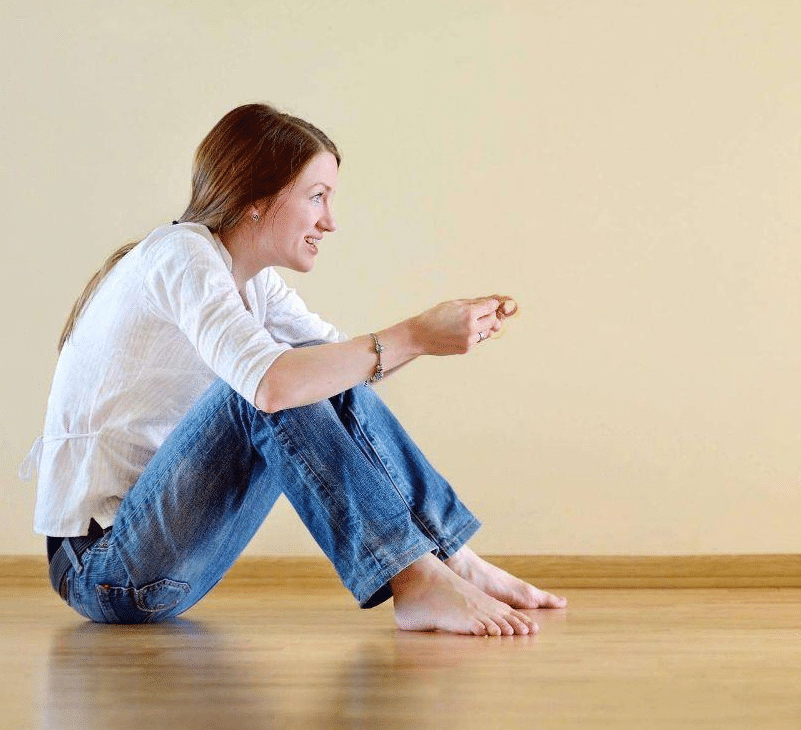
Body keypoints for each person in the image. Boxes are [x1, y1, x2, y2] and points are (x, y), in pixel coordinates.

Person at [22, 102, 565, 636]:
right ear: (257, 199)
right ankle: (415, 579)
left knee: (319, 372)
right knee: (265, 387)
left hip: (162, 563)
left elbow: (348, 368)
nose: (330, 221)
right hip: (104, 569)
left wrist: (433, 336)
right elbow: (272, 385)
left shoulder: (254, 282)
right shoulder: (179, 253)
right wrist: (416, 334)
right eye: (317, 196)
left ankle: (450, 558)